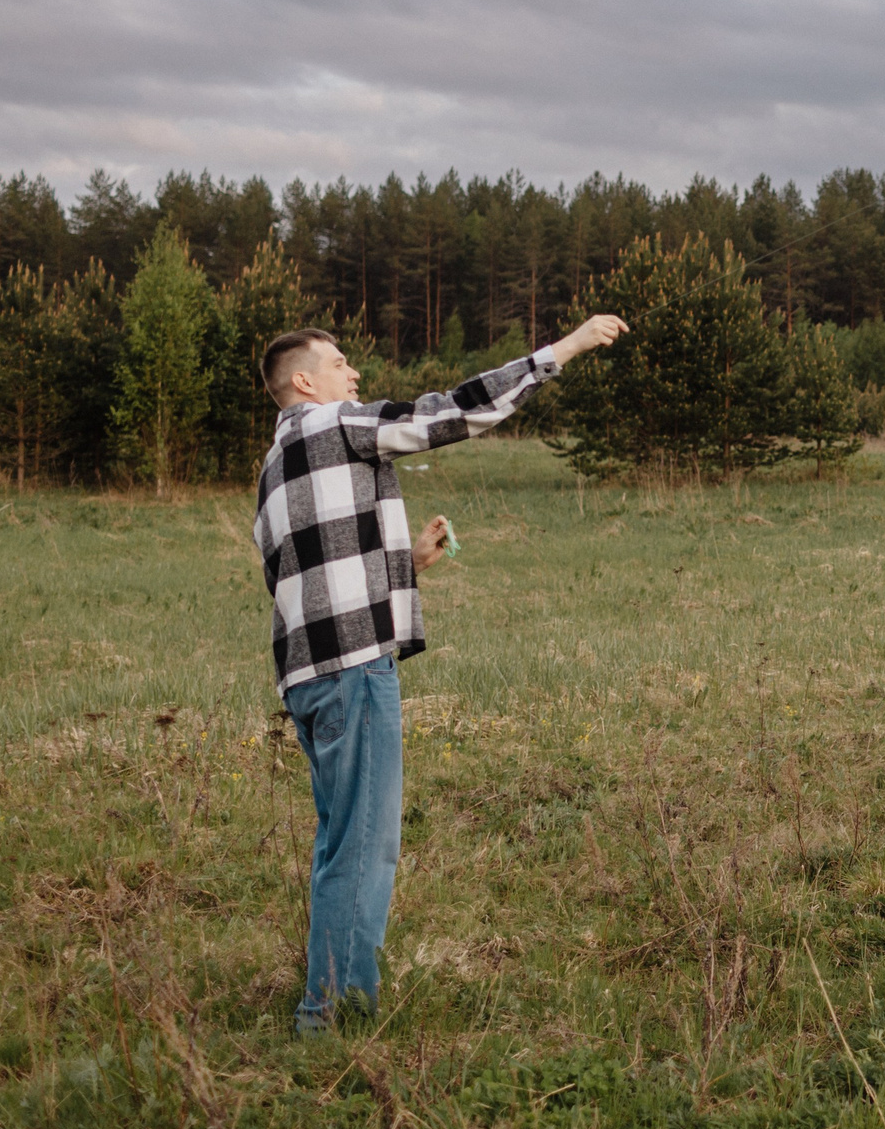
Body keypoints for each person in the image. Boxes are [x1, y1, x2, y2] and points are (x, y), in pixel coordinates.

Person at [252, 314, 628, 1032]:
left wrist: (410, 564)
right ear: (305, 381)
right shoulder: (337, 425)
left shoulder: (276, 467)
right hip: (357, 670)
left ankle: (333, 1002)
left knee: (340, 844)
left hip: (307, 678)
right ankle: (329, 1014)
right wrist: (562, 351)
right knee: (365, 845)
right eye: (339, 364)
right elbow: (446, 413)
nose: (353, 375)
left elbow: (310, 574)